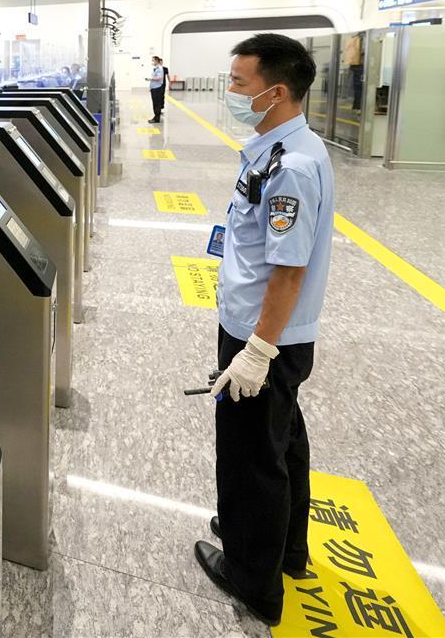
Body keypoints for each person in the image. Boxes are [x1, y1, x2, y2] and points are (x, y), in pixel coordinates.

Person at [195, 33, 334, 627]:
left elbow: (288, 270)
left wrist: (256, 351)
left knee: (250, 455)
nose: (230, 90)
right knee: (281, 440)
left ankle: (252, 577)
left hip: (264, 335)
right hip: (271, 332)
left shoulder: (292, 166)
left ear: (275, 92)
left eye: (238, 82)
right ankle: (285, 548)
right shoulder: (282, 146)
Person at [148, 56, 168, 123]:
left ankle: (156, 118)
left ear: (156, 61)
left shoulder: (159, 68)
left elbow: (159, 78)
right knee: (155, 103)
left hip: (157, 88)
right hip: (154, 88)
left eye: (153, 60)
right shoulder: (156, 68)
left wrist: (150, 79)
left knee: (156, 104)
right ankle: (156, 117)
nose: (152, 62)